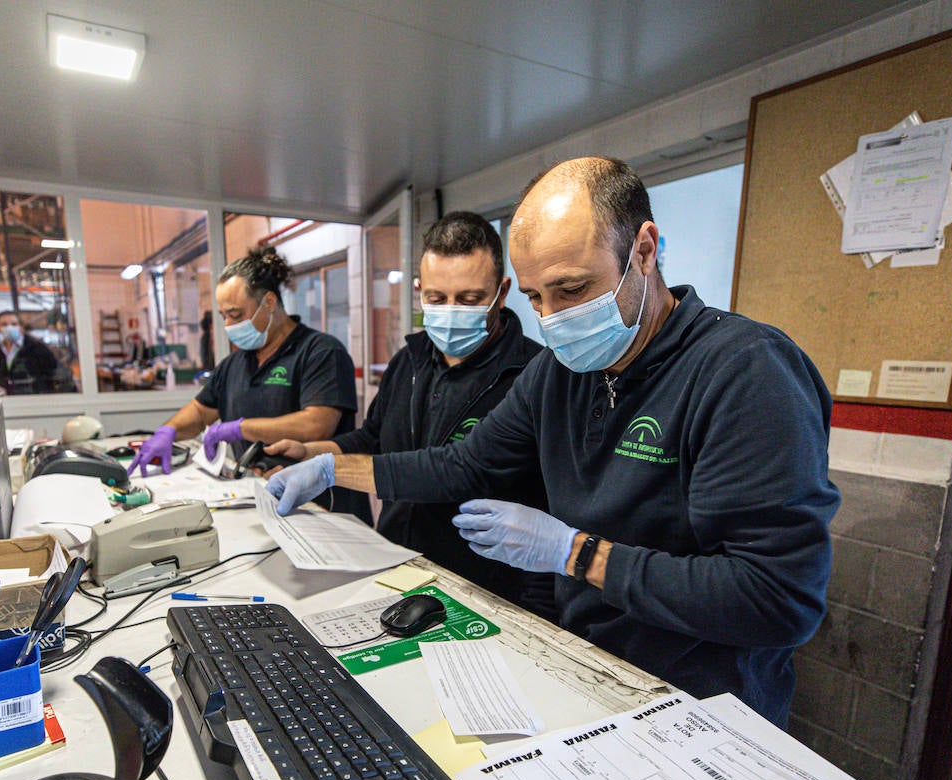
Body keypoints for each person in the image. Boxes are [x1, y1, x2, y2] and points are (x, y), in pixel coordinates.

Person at [268, 157, 840, 727]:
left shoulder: (745, 372)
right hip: (587, 664)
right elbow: (463, 465)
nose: (553, 320)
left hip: (701, 702)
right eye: (537, 298)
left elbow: (776, 599)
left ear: (644, 251)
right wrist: (330, 469)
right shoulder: (561, 374)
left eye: (572, 289)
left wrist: (576, 554)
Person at [264, 212, 554, 616]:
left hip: (483, 587)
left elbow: (457, 469)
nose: (451, 311)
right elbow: (373, 439)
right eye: (436, 298)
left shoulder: (531, 374)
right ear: (418, 291)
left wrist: (333, 468)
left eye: (469, 299)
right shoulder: (409, 361)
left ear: (501, 292)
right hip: (394, 563)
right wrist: (311, 451)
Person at [131, 245, 366, 517]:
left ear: (268, 302)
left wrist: (242, 429)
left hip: (319, 504)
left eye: (236, 314)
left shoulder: (321, 352)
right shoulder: (235, 364)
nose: (229, 325)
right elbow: (200, 410)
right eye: (224, 316)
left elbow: (317, 425)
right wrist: (167, 432)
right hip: (260, 496)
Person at [0, 310, 61, 394]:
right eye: (4, 325)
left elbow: (53, 376)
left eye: (14, 324)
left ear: (21, 327)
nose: (9, 328)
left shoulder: (37, 349)